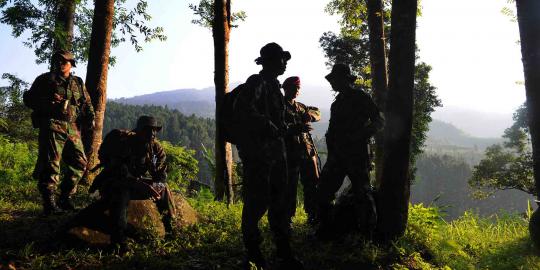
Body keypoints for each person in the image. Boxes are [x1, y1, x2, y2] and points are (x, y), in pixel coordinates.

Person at [234, 43, 303, 269]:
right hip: (259, 158)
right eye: (282, 60)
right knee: (256, 205)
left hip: (277, 156)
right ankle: (253, 255)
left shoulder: (274, 86)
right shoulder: (257, 82)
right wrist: (267, 125)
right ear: (270, 61)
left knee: (280, 204)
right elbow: (244, 111)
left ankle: (284, 253)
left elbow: (278, 123)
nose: (285, 64)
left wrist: (288, 129)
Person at [74, 116, 177, 252]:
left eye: (155, 130)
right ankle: (119, 241)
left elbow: (160, 172)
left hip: (134, 183)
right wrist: (142, 185)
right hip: (113, 183)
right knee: (121, 194)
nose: (152, 134)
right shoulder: (123, 142)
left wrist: (158, 185)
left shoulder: (155, 148)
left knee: (164, 190)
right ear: (138, 130)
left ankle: (171, 233)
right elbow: (120, 173)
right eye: (148, 130)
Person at [23, 50, 95, 215]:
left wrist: (91, 117)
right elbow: (28, 99)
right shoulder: (45, 80)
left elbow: (87, 103)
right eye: (57, 61)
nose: (60, 64)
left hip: (72, 127)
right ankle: (49, 203)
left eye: (64, 61)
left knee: (81, 163)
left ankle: (64, 196)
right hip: (52, 125)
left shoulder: (77, 82)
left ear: (71, 64)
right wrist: (47, 102)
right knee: (51, 164)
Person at [316, 63, 383, 239]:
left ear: (344, 80)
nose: (332, 83)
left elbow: (378, 121)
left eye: (334, 79)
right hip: (337, 156)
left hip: (357, 155)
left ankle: (367, 234)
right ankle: (326, 229)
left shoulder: (361, 97)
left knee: (363, 193)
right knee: (323, 190)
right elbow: (333, 130)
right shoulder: (336, 103)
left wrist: (360, 136)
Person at [282, 76, 321, 224]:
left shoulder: (301, 107)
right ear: (285, 89)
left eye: (298, 88)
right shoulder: (279, 106)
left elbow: (317, 112)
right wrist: (296, 128)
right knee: (289, 187)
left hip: (306, 152)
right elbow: (277, 127)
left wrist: (310, 116)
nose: (296, 91)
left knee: (312, 183)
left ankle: (312, 214)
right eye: (293, 88)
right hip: (289, 153)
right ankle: (287, 218)